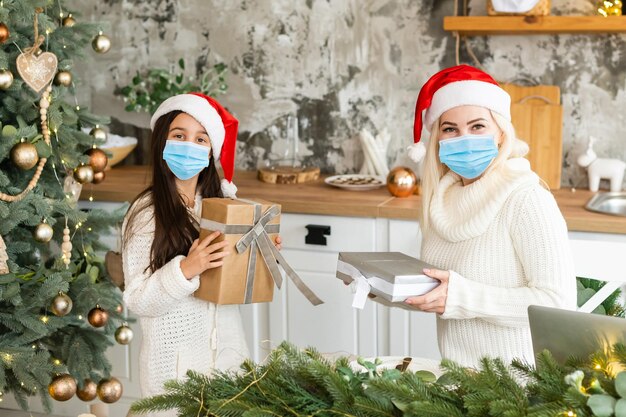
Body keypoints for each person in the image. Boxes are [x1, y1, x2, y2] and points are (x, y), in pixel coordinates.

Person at [404, 65, 576, 367]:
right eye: (450, 129)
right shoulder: (442, 199)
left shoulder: (526, 198)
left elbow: (557, 304)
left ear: (500, 132)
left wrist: (463, 297)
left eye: (477, 126)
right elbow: (446, 291)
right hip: (458, 379)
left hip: (519, 386)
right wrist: (382, 288)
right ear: (438, 139)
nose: (464, 138)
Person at [122, 93, 281, 415]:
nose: (189, 145)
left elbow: (229, 280)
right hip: (174, 371)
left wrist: (258, 253)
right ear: (161, 143)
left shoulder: (221, 208)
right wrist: (186, 270)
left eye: (200, 139)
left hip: (228, 360)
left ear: (210, 151)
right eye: (179, 136)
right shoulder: (146, 213)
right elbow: (138, 299)